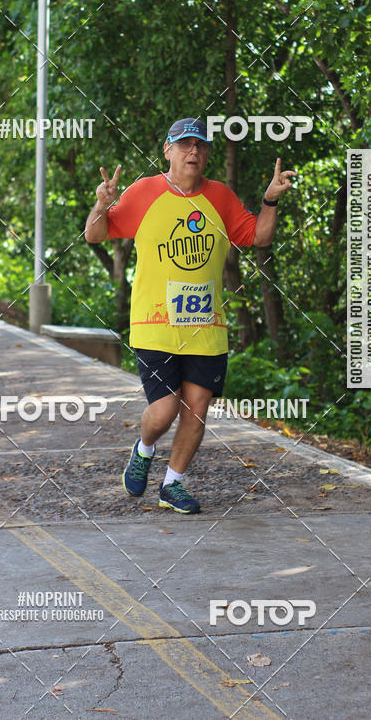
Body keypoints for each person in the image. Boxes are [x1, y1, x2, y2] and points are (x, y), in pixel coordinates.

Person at [84, 118, 296, 514]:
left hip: (206, 328)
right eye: (184, 144)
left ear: (207, 153)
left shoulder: (220, 197)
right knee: (165, 411)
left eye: (200, 145)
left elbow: (259, 237)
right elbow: (95, 235)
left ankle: (172, 484)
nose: (193, 151)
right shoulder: (144, 192)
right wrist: (102, 204)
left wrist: (270, 200)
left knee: (196, 409)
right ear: (168, 150)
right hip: (154, 325)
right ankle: (144, 449)